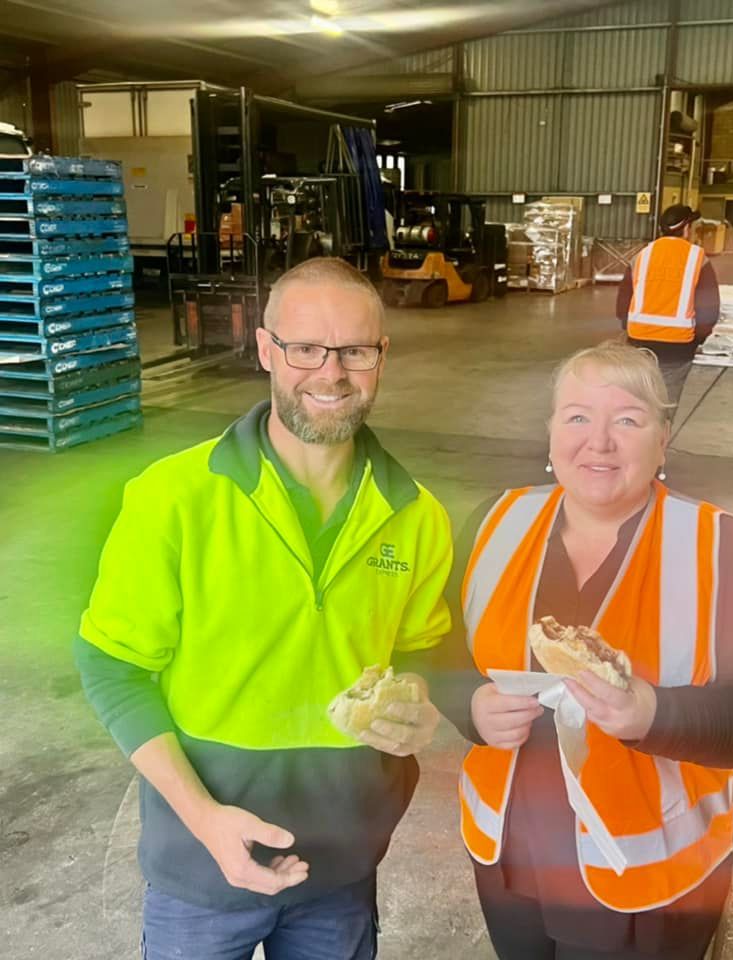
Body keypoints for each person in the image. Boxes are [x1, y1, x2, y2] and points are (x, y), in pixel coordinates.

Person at [74, 257, 453, 960]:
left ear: (382, 356)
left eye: (355, 351)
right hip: (199, 871)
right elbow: (111, 666)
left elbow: (421, 648)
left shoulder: (418, 516)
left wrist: (418, 701)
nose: (331, 373)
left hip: (342, 869)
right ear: (264, 349)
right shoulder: (174, 499)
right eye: (305, 348)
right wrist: (204, 820)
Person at [445, 341, 733, 960]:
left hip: (651, 885)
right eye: (578, 417)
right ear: (552, 434)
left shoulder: (719, 548)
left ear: (663, 441)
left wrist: (655, 716)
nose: (599, 441)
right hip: (512, 860)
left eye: (628, 420)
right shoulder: (495, 522)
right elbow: (440, 656)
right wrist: (469, 709)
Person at [616, 204, 720, 413]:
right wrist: (698, 338)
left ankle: (635, 441)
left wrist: (629, 329)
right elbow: (709, 308)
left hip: (639, 342)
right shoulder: (697, 258)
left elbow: (623, 302)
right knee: (665, 403)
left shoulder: (642, 256)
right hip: (677, 345)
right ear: (686, 228)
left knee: (638, 400)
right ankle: (656, 442)